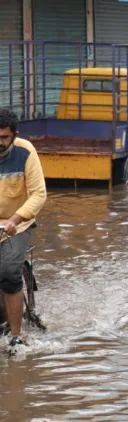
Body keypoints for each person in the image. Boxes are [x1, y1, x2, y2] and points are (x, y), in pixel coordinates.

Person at [0, 109, 46, 354]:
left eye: (4, 137)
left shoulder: (26, 151)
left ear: (14, 135)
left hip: (18, 223)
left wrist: (16, 218)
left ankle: (16, 337)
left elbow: (39, 193)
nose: (0, 142)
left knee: (8, 272)